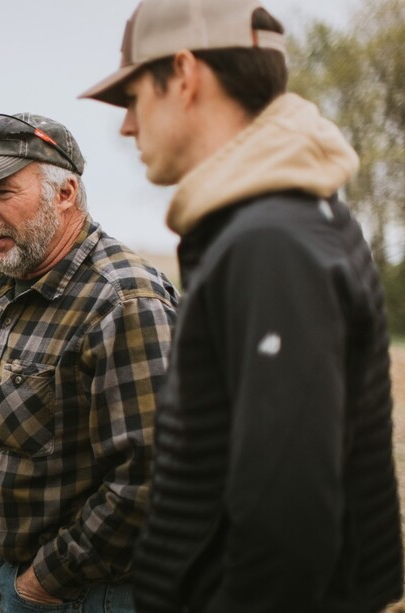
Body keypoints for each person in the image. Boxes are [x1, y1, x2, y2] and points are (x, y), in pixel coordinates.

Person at [80, 0, 405, 611]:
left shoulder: (270, 242)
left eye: (132, 98)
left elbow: (289, 513)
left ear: (182, 74)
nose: (127, 126)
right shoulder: (285, 221)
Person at [0, 113, 179, 612]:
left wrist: (42, 582)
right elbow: (18, 449)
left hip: (95, 596)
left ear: (64, 194)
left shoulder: (124, 301)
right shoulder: (18, 285)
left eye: (2, 192)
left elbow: (154, 477)